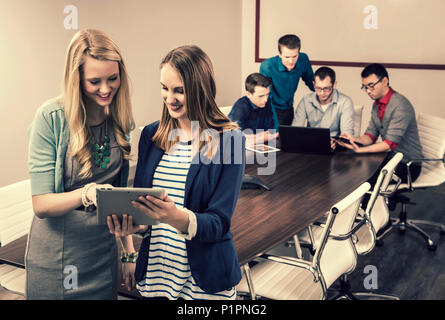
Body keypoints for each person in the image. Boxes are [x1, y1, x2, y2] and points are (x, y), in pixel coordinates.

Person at [107, 45, 245, 300]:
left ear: (200, 88)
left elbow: (219, 223)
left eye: (179, 90)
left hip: (204, 281)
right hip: (158, 274)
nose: (170, 98)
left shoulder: (230, 141)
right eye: (165, 88)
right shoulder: (151, 135)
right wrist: (133, 225)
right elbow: (142, 209)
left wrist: (175, 216)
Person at [26, 29, 135, 299]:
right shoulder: (51, 118)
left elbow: (120, 200)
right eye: (94, 81)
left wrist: (127, 252)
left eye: (113, 78)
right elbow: (41, 205)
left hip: (102, 255)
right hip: (56, 261)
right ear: (76, 80)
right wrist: (87, 193)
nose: (106, 89)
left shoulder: (121, 123)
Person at [337, 63, 423, 183]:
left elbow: (389, 145)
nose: (368, 91)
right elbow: (371, 136)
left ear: (385, 81)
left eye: (371, 86)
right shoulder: (377, 104)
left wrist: (360, 150)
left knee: (363, 179)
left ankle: (366, 201)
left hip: (408, 165)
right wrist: (353, 140)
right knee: (353, 168)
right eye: (365, 87)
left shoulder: (400, 105)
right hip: (390, 158)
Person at [292, 66, 355, 149]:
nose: (322, 93)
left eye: (326, 88)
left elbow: (346, 136)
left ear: (334, 85)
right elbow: (295, 131)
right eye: (318, 88)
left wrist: (335, 143)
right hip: (310, 145)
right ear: (314, 84)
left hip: (336, 148)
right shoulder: (306, 100)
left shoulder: (345, 102)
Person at [260, 34, 315, 126]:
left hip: (289, 108)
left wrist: (326, 95)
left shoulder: (303, 59)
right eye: (287, 57)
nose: (291, 61)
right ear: (279, 53)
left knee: (289, 138)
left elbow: (311, 81)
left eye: (294, 56)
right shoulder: (267, 66)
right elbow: (266, 95)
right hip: (272, 108)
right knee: (275, 138)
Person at [228, 72, 278, 145]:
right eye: (261, 96)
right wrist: (261, 137)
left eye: (267, 94)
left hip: (259, 146)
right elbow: (234, 137)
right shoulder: (240, 106)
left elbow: (270, 131)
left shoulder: (267, 102)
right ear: (248, 94)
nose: (265, 99)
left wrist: (254, 137)